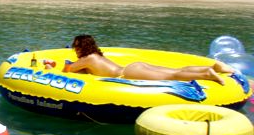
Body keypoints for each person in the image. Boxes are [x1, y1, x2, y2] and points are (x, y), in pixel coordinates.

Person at [63, 35, 233, 85]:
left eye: (75, 47)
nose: (75, 49)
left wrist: (61, 65)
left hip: (128, 73)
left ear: (81, 47)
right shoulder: (97, 56)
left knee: (172, 77)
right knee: (175, 71)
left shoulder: (87, 59)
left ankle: (207, 75)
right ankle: (214, 67)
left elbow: (67, 70)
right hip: (133, 67)